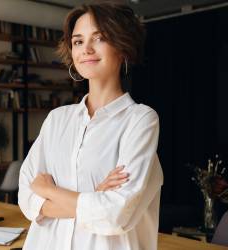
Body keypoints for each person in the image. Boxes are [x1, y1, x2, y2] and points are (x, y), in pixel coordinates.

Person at [18, 2, 164, 250]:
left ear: (122, 46)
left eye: (99, 38)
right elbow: (26, 197)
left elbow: (116, 214)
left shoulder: (141, 120)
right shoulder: (57, 119)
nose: (85, 49)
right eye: (77, 41)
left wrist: (47, 190)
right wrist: (93, 197)